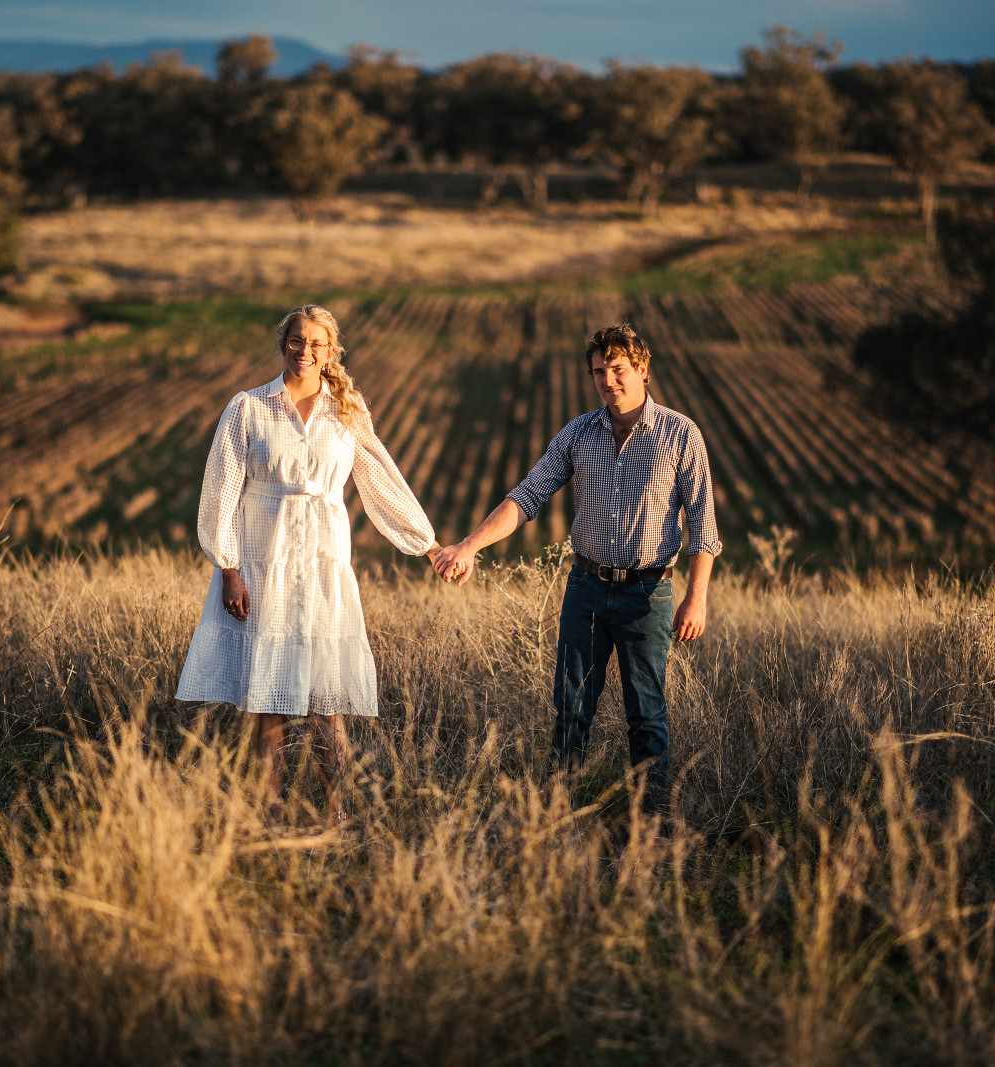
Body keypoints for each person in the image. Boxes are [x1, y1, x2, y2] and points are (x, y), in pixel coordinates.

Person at [432, 323, 719, 814]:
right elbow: (528, 495)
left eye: (618, 369)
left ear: (642, 370)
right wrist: (469, 545)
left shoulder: (680, 434)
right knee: (571, 709)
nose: (608, 380)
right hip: (585, 588)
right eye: (599, 372)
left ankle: (652, 829)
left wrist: (697, 598)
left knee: (647, 716)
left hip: (647, 596)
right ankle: (557, 818)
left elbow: (703, 524)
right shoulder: (579, 433)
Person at [176, 304, 442, 820]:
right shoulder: (248, 408)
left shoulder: (347, 411)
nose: (305, 351)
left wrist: (427, 544)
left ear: (330, 351)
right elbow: (220, 492)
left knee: (326, 699)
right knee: (268, 702)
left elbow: (381, 480)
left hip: (323, 566)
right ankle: (271, 813)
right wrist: (228, 569)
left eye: (316, 343)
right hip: (262, 563)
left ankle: (337, 814)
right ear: (283, 344)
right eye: (297, 340)